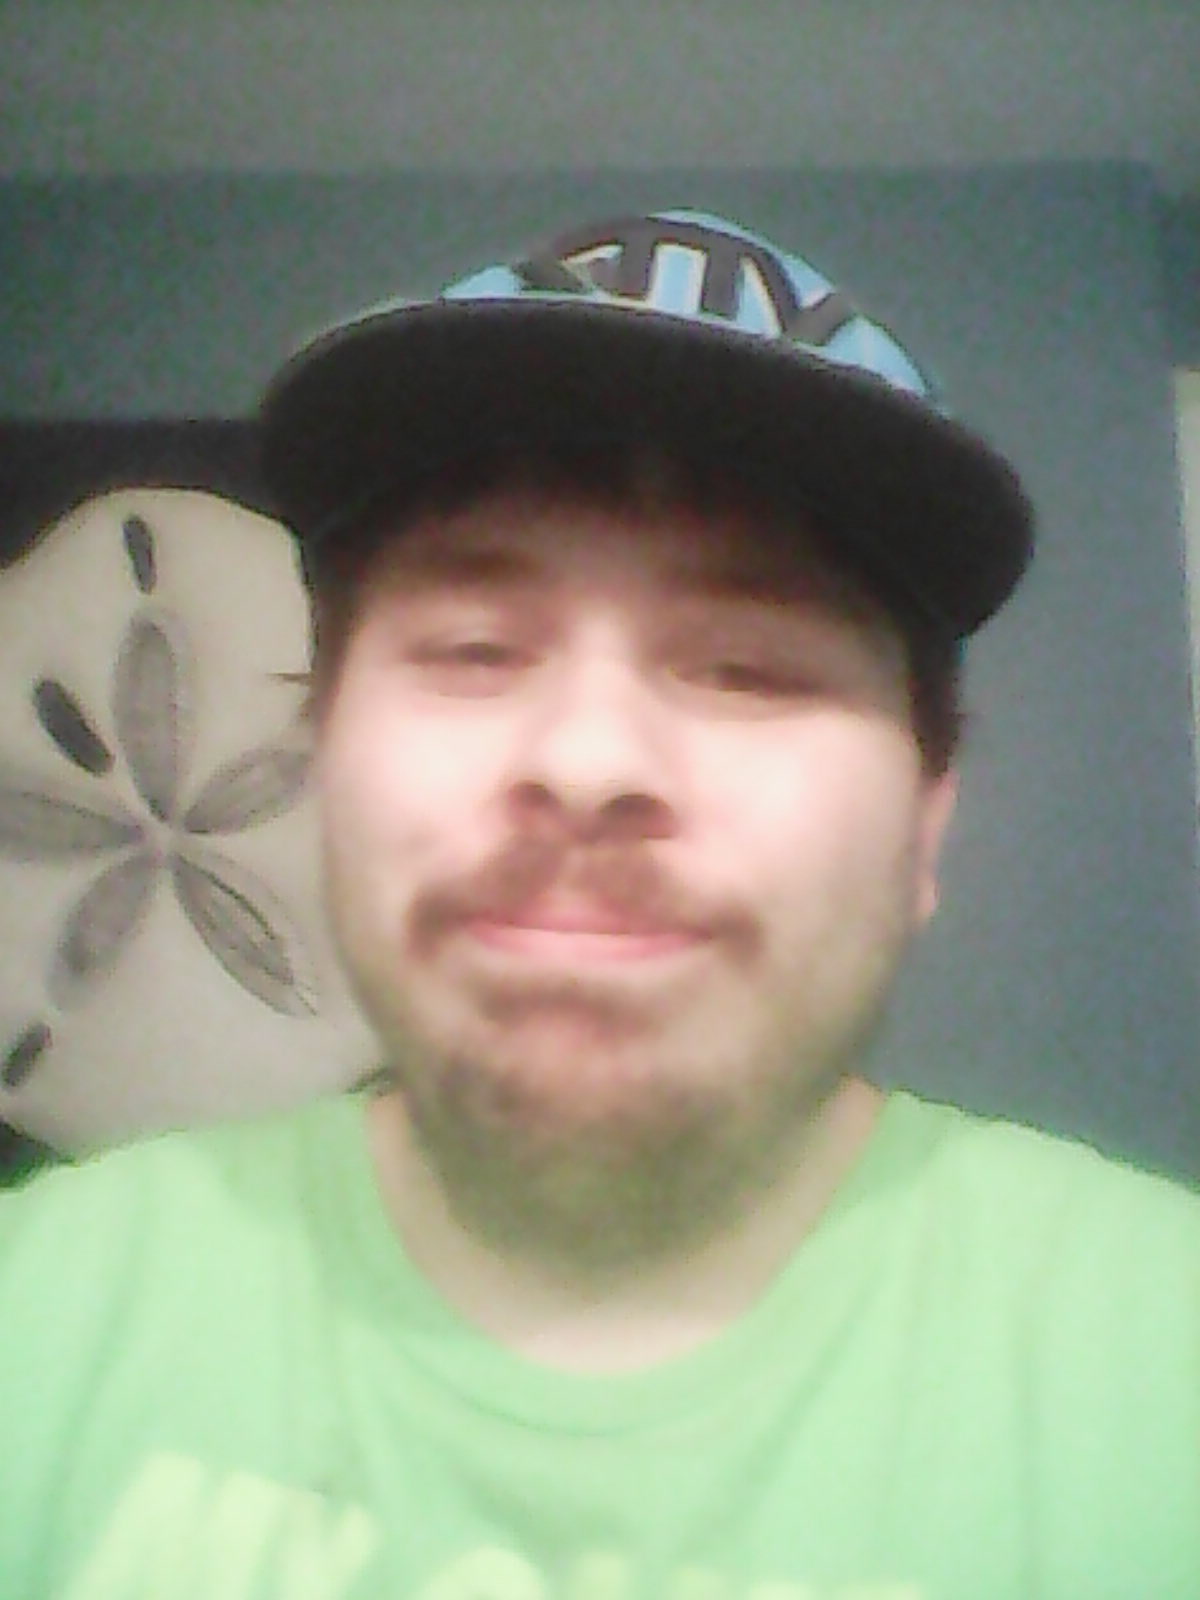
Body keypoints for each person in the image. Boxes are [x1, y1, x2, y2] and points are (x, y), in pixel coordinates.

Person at [2, 208, 1198, 1599]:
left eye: (748, 667)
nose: (586, 761)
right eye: (474, 648)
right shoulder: (43, 1314)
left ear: (924, 823)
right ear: (326, 750)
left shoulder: (1161, 1359)